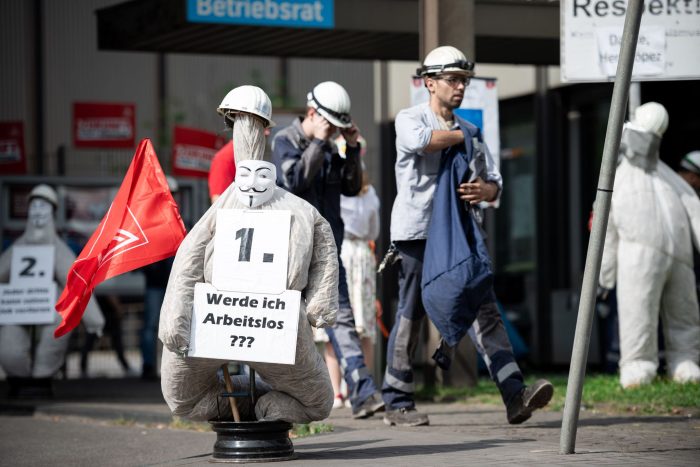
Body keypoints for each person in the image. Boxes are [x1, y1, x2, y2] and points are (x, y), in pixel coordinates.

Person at [383, 45, 552, 427]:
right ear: (429, 83)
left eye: (464, 80)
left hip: (459, 237)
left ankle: (515, 395)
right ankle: (396, 400)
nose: (460, 86)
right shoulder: (411, 119)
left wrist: (485, 191)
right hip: (416, 235)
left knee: (484, 309)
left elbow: (494, 182)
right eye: (452, 79)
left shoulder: (470, 132)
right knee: (412, 314)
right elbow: (424, 141)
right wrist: (464, 137)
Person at [159, 85, 337, 423]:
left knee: (316, 401)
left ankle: (258, 408)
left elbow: (187, 257)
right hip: (225, 322)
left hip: (268, 323)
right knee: (183, 399)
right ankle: (252, 407)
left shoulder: (295, 210)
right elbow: (188, 257)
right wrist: (318, 307)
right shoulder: (281, 209)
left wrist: (319, 304)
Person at [271, 81, 385, 419]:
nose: (335, 132)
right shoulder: (284, 141)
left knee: (343, 318)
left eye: (339, 127)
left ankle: (363, 392)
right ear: (311, 114)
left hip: (327, 245)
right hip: (291, 249)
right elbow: (294, 183)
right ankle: (282, 397)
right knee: (286, 323)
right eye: (331, 125)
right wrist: (320, 142)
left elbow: (352, 188)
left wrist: (351, 151)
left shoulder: (334, 148)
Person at [599, 102, 700, 388]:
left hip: (680, 257)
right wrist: (604, 273)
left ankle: (685, 360)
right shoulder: (617, 177)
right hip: (636, 253)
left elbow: (694, 209)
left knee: (684, 310)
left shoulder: (667, 176)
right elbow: (606, 227)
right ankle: (637, 364)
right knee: (637, 310)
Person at [0, 185, 104, 396]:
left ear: (52, 212)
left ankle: (41, 377)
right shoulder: (17, 247)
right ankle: (18, 376)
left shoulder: (59, 249)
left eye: (43, 207)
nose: (38, 212)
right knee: (9, 343)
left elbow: (77, 283)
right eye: (34, 207)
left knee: (57, 330)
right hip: (18, 305)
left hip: (50, 308)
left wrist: (94, 319)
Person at [320, 137, 380, 409]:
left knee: (334, 323)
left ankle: (336, 392)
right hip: (361, 254)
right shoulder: (369, 194)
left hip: (339, 249)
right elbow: (373, 230)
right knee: (363, 326)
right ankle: (362, 387)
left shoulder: (333, 186)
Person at [138, 176, 179, 379]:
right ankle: (148, 367)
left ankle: (171, 371)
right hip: (156, 284)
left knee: (172, 325)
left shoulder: (180, 223)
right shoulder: (150, 224)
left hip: (172, 285)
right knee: (151, 325)